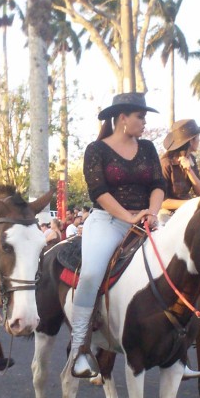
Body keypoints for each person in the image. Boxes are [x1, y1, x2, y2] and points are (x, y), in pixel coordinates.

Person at [69, 92, 170, 379]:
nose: (144, 121)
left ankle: (178, 349)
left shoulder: (148, 148)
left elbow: (158, 184)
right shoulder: (96, 149)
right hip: (108, 220)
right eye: (140, 116)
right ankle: (80, 349)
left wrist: (151, 212)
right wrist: (129, 217)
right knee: (90, 274)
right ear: (122, 118)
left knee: (178, 262)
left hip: (146, 219)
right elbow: (98, 192)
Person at [159, 119, 200, 219]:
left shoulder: (192, 160)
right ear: (191, 141)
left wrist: (189, 170)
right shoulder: (166, 163)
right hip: (166, 214)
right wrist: (190, 204)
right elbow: (162, 202)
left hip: (187, 210)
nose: (199, 140)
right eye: (198, 137)